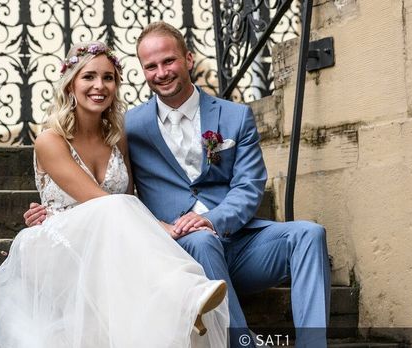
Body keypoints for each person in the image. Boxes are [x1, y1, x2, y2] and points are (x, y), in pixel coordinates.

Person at [24, 22, 331, 348]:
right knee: (199, 241)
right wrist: (58, 214)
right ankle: (241, 343)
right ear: (142, 71)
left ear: (188, 59)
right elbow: (105, 195)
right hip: (177, 248)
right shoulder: (131, 128)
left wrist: (212, 219)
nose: (161, 72)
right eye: (151, 66)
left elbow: (250, 186)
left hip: (237, 242)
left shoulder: (235, 117)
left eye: (168, 61)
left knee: (309, 235)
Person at [0, 41, 230, 348]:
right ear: (70, 84)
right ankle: (182, 292)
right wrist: (162, 229)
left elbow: (128, 202)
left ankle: (177, 310)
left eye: (108, 78)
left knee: (120, 234)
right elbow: (99, 201)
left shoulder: (117, 139)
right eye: (88, 77)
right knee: (115, 211)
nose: (99, 86)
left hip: (109, 241)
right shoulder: (50, 139)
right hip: (57, 244)